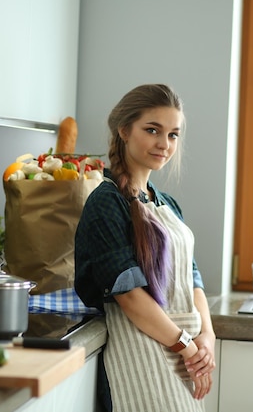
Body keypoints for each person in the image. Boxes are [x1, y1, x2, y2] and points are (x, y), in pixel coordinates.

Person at [74, 84, 216, 412]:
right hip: (141, 354)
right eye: (152, 130)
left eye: (173, 135)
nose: (164, 144)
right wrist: (188, 347)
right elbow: (130, 297)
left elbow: (193, 279)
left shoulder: (167, 205)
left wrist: (207, 337)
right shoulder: (107, 203)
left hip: (185, 356)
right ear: (124, 130)